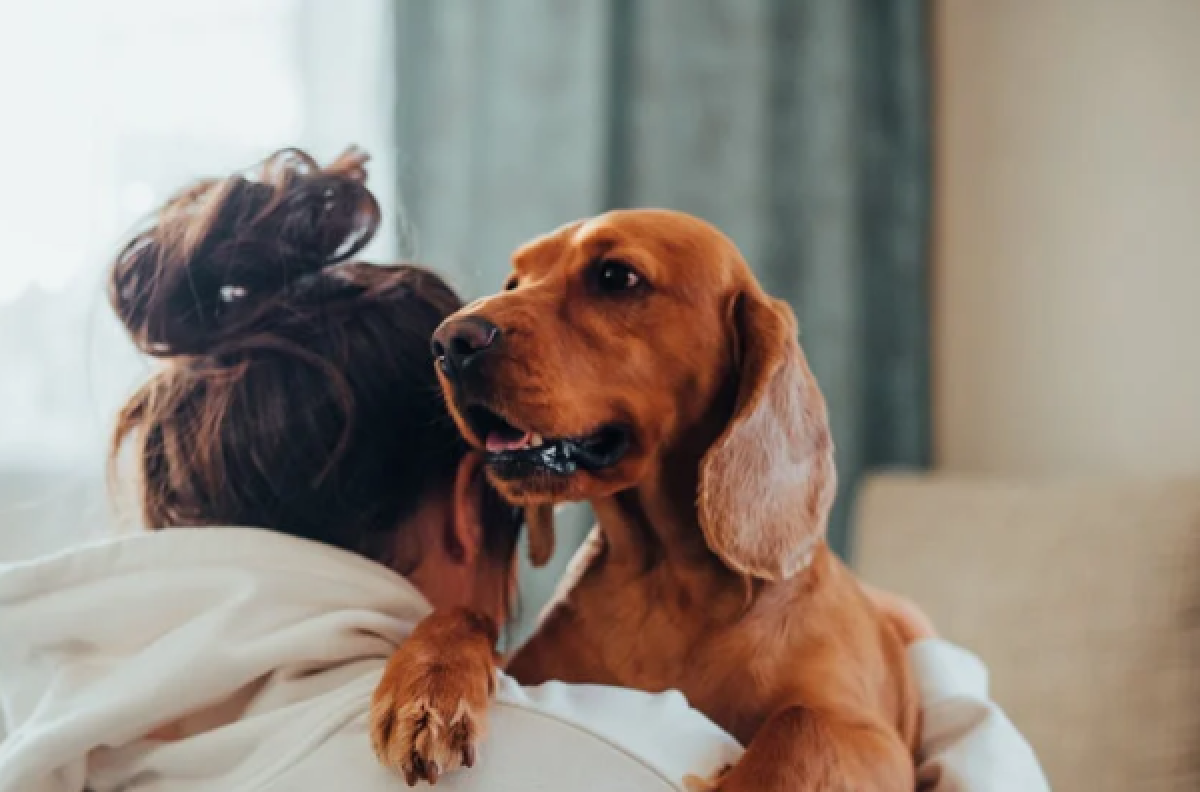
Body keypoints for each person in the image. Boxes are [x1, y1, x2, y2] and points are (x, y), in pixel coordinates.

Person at [0, 148, 1049, 792]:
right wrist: (453, 639)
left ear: (744, 365)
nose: (485, 324)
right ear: (476, 503)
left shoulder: (88, 719)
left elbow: (866, 760)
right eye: (516, 282)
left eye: (612, 282)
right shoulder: (562, 728)